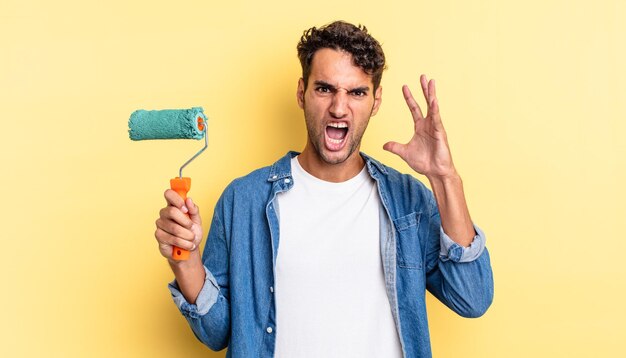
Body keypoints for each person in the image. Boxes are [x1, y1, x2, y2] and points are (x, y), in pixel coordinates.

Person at [154, 21, 494, 358]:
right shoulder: (244, 200)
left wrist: (445, 178)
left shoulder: (409, 201)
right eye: (325, 89)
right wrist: (187, 261)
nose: (339, 107)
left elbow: (472, 298)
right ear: (302, 93)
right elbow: (217, 334)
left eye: (357, 92)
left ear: (376, 101)